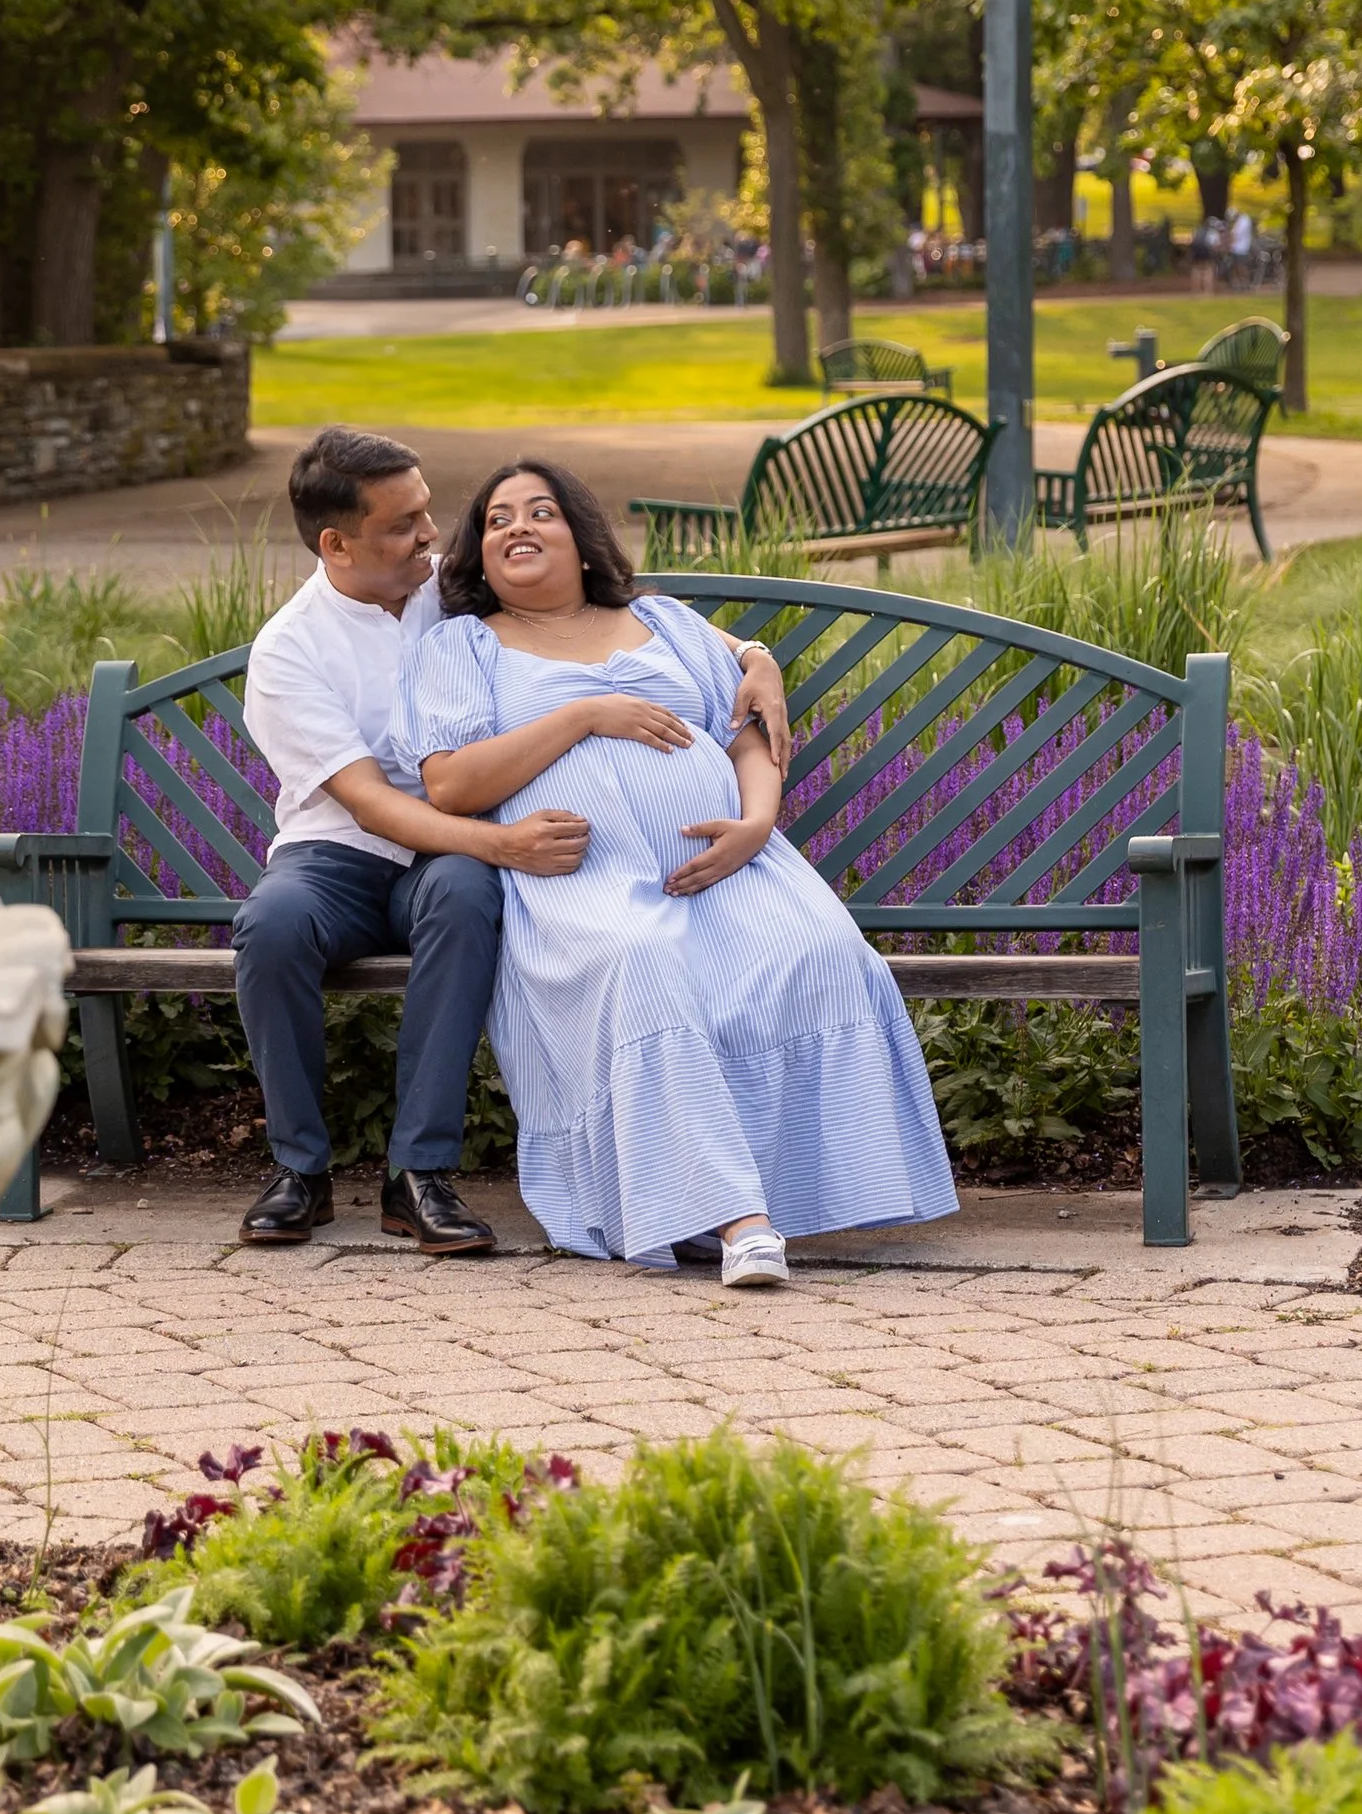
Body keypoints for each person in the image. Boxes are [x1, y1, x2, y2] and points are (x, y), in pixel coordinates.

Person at [232, 427, 791, 1256]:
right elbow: (374, 807)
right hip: (342, 855)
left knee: (460, 897)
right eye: (403, 524)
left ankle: (418, 1177)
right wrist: (504, 846)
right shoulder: (290, 651)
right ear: (335, 544)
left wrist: (754, 655)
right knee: (271, 927)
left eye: (428, 513)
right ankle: (299, 1171)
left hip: (451, 858)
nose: (430, 535)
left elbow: (614, 613)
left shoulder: (442, 592)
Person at [404, 455, 955, 1286]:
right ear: (478, 559)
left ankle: (802, 1194)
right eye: (497, 520)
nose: (518, 526)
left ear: (583, 541)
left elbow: (744, 736)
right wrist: (584, 716)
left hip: (729, 865)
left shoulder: (663, 623)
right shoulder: (464, 645)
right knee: (644, 967)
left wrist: (755, 824)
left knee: (824, 957)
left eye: (541, 511)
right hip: (579, 884)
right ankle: (741, 1222)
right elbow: (451, 783)